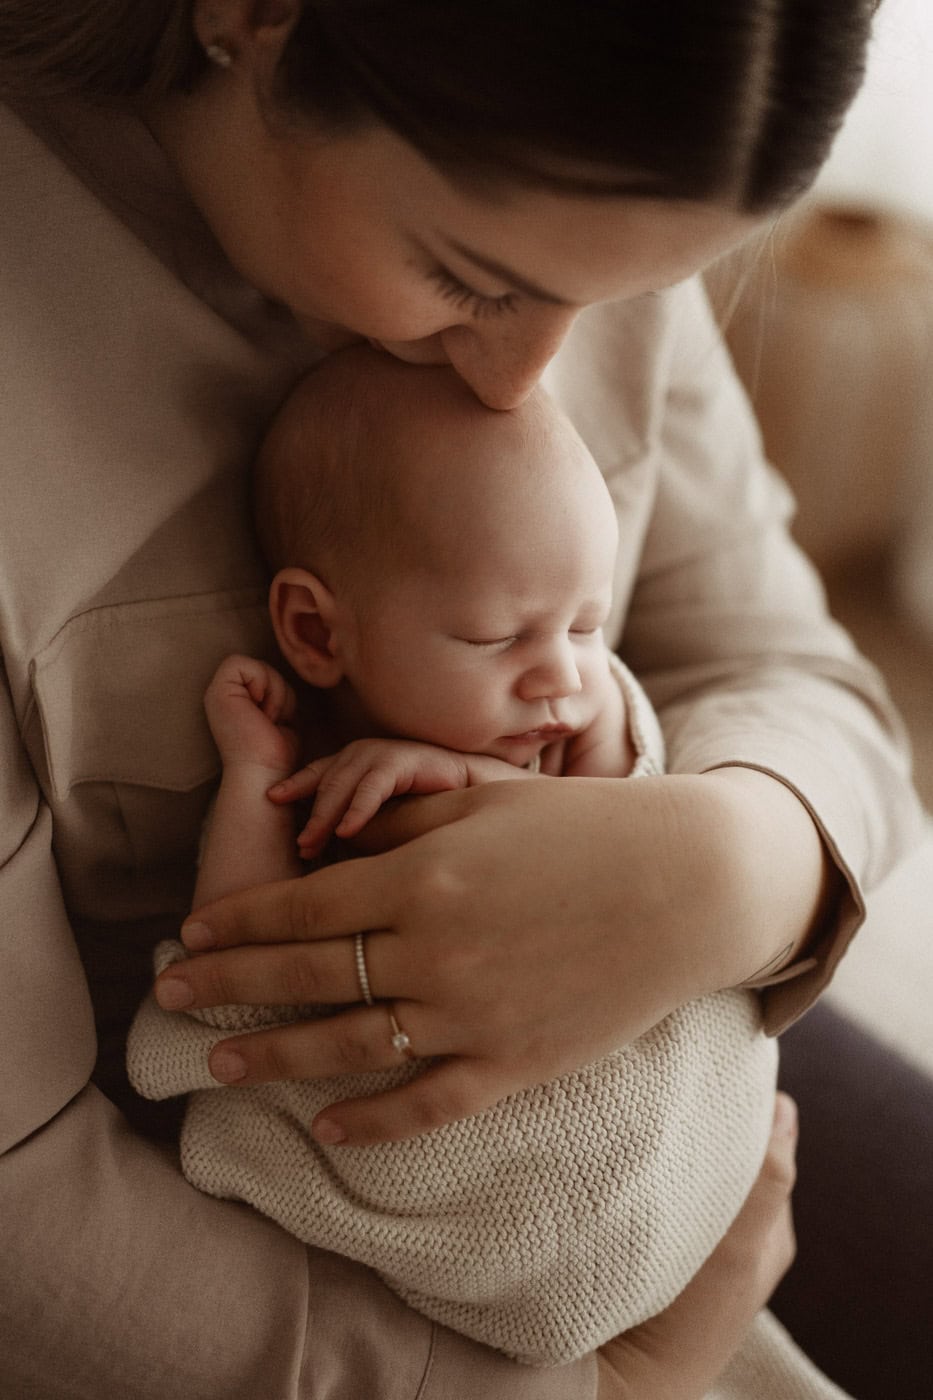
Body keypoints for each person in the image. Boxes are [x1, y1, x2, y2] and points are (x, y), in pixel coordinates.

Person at [0, 3, 926, 1398]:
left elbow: (790, 665)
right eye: (467, 277)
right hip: (295, 1253)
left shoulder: (588, 188)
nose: (529, 376)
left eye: (622, 296)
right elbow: (23, 1202)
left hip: (669, 1045)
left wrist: (733, 863)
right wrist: (594, 1390)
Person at [127, 347, 782, 1369]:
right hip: (501, 1226)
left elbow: (631, 817)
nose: (558, 676)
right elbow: (240, 967)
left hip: (708, 1156)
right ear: (315, 631)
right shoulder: (326, 787)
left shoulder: (569, 723)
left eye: (586, 622)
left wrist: (496, 769)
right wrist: (256, 772)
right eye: (494, 637)